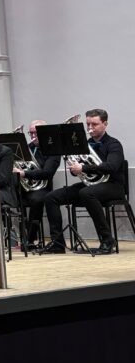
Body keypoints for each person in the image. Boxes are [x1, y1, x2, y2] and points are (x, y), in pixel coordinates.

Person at [42, 109, 124, 255]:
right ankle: (57, 243)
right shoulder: (84, 144)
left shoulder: (114, 144)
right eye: (88, 124)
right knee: (51, 197)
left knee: (86, 193)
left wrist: (84, 167)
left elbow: (112, 167)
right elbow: (78, 170)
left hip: (113, 185)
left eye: (94, 124)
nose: (90, 128)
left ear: (105, 124)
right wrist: (75, 169)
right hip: (91, 185)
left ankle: (107, 240)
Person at [13, 119, 59, 248]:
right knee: (4, 196)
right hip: (24, 186)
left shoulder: (53, 150)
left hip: (42, 188)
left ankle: (30, 238)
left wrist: (24, 173)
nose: (33, 136)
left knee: (37, 200)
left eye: (36, 133)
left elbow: (47, 172)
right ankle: (11, 237)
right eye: (31, 133)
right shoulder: (26, 148)